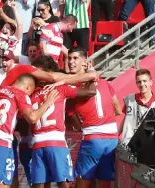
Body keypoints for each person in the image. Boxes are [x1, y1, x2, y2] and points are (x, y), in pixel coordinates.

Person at [49, 47, 122, 188]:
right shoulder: (103, 81)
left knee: (81, 182)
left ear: (85, 62)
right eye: (69, 58)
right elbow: (117, 109)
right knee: (105, 182)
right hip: (112, 138)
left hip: (93, 138)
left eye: (75, 58)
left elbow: (76, 125)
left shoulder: (73, 86)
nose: (71, 62)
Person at [0, 73, 59, 188]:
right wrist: (47, 104)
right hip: (0, 143)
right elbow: (32, 118)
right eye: (30, 92)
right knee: (2, 185)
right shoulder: (21, 94)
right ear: (28, 87)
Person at [30, 54, 97, 188]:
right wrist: (89, 72)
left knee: (39, 184)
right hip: (56, 142)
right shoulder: (60, 88)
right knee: (64, 183)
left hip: (36, 143)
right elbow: (91, 91)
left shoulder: (30, 93)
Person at [120, 68, 155, 145]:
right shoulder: (130, 99)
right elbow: (125, 119)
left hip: (146, 148)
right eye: (139, 82)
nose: (142, 84)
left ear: (151, 82)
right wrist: (115, 136)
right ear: (136, 84)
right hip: (127, 145)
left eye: (145, 81)